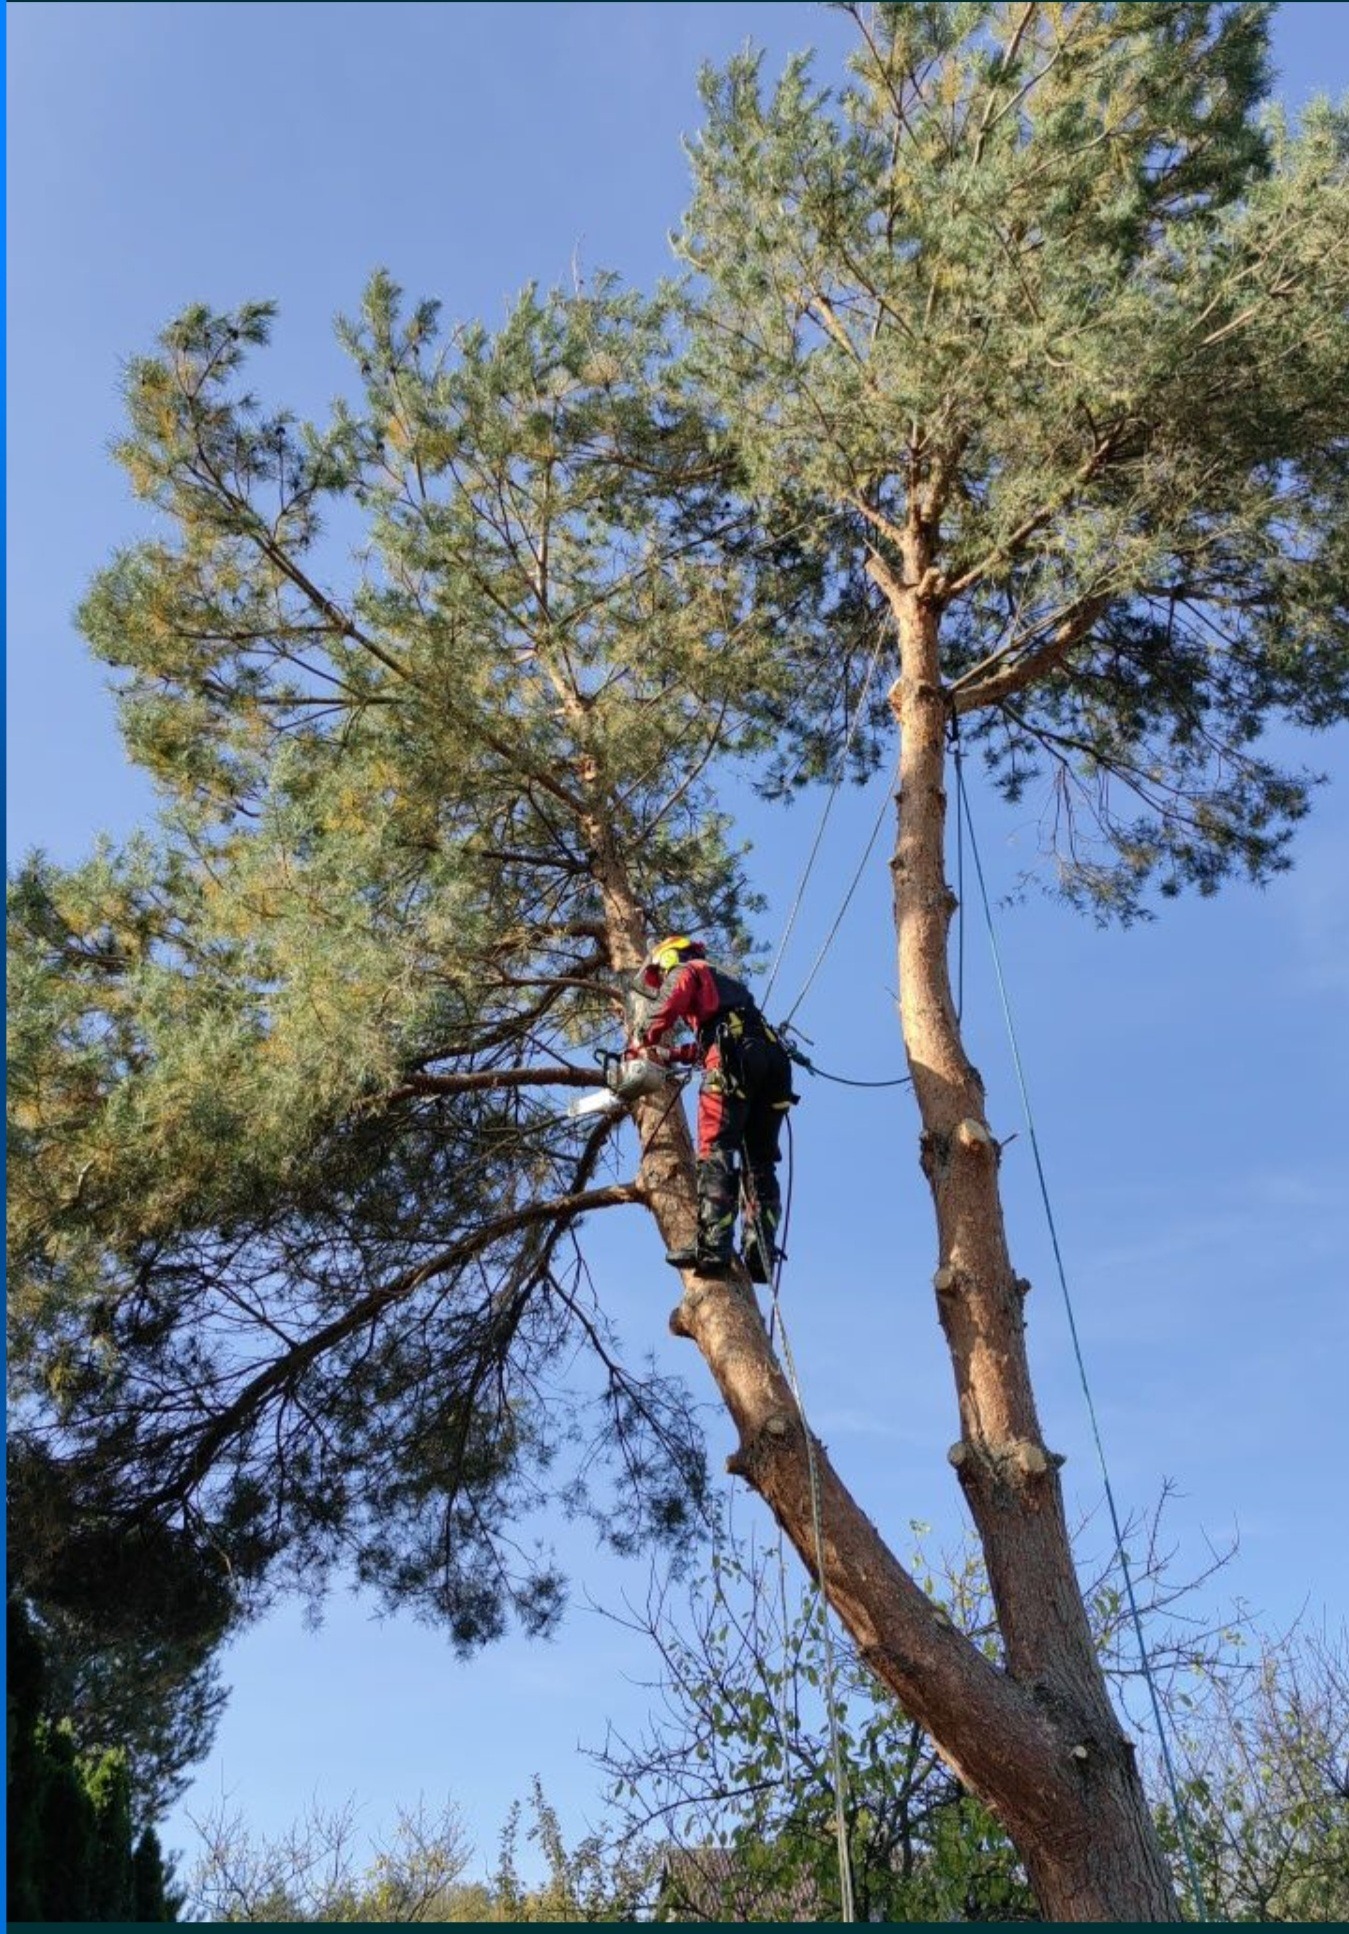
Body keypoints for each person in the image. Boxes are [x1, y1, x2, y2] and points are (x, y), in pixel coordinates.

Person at [630, 935, 795, 1281]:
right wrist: (672, 1054)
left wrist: (642, 1040)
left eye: (661, 974)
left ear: (668, 958)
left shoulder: (688, 969)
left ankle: (714, 1246)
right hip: (772, 1063)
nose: (662, 980)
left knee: (716, 1148)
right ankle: (759, 1251)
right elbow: (717, 1036)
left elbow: (669, 1003)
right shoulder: (723, 984)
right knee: (760, 1161)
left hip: (734, 1062)